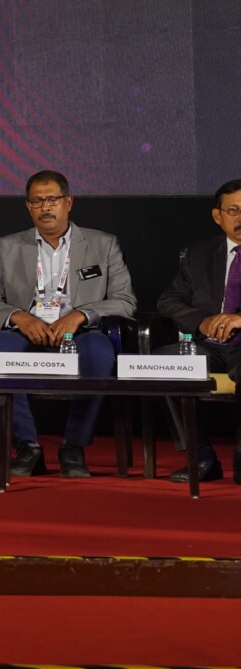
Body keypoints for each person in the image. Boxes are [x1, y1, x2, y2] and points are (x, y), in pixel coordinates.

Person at [0, 170, 133, 478]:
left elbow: (125, 301)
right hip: (25, 330)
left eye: (52, 199)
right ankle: (28, 446)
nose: (45, 207)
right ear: (28, 206)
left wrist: (81, 315)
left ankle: (74, 445)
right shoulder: (8, 246)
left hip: (81, 331)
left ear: (68, 202)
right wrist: (19, 317)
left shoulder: (102, 244)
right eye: (37, 201)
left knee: (100, 352)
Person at [153, 177, 241, 483]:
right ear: (218, 216)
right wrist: (202, 320)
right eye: (233, 210)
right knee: (158, 365)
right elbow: (168, 300)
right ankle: (200, 455)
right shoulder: (199, 254)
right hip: (210, 344)